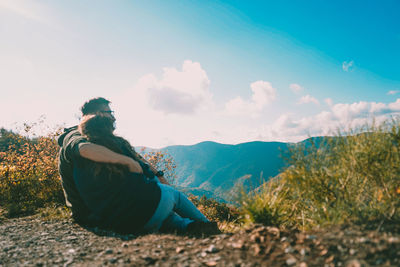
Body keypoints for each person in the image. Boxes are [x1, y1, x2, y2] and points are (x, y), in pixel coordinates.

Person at [58, 97, 219, 234]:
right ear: (97, 115)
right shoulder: (76, 136)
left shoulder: (100, 137)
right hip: (94, 215)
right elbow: (83, 149)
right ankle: (208, 226)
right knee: (171, 194)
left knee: (163, 210)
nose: (113, 118)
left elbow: (136, 157)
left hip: (111, 214)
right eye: (110, 113)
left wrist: (157, 174)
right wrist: (129, 163)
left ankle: (190, 227)